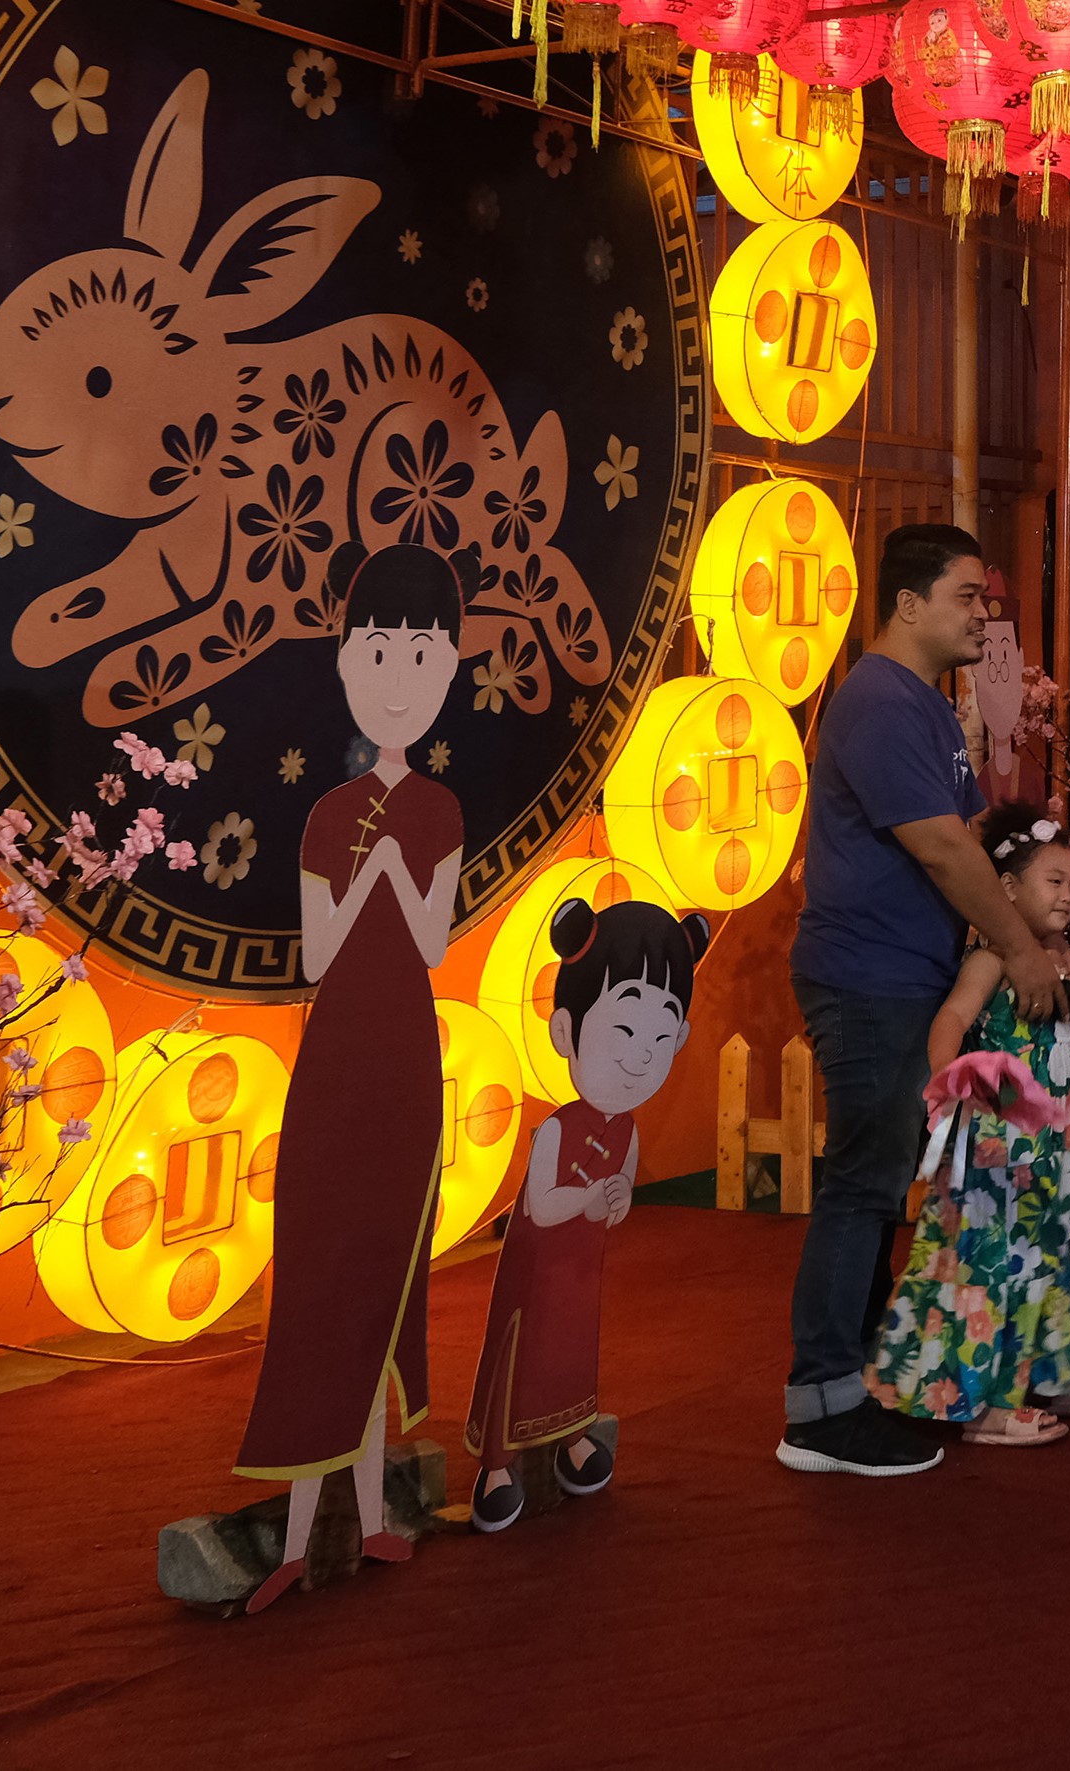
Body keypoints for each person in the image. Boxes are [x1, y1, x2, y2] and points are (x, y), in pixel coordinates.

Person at [778, 524, 1064, 1478]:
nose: (983, 613)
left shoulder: (924, 707)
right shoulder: (882, 702)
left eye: (985, 597)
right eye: (968, 595)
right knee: (863, 1182)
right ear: (907, 604)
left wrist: (1036, 869)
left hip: (900, 974)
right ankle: (820, 1408)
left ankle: (857, 1376)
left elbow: (974, 831)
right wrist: (1020, 943)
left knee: (880, 1178)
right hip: (870, 976)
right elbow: (944, 848)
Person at [235, 542, 467, 1614]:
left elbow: (429, 940)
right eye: (380, 649)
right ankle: (293, 1534)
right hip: (337, 1054)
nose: (398, 673)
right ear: (344, 659)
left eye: (421, 654)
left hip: (408, 1053)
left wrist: (391, 868)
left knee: (386, 1273)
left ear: (449, 666)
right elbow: (319, 954)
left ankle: (372, 1519)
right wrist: (364, 864)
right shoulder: (326, 814)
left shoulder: (441, 812)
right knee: (321, 1279)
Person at [465, 897, 710, 1534]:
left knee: (574, 1351)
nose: (640, 1056)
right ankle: (496, 1465)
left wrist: (618, 1198)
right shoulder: (554, 1129)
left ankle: (573, 1436)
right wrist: (590, 1199)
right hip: (540, 1270)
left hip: (582, 1270)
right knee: (527, 1351)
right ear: (567, 1031)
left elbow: (622, 1188)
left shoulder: (626, 1128)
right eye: (624, 1033)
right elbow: (542, 1205)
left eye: (661, 1037)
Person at [873, 805, 1070, 1445]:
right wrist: (954, 1083)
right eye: (1053, 881)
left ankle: (1047, 1375)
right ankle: (984, 1405)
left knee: (1051, 1254)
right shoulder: (992, 959)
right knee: (989, 1264)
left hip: (1050, 1148)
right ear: (1006, 888)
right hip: (995, 1152)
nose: (1068, 894)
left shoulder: (1063, 958)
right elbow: (949, 1025)